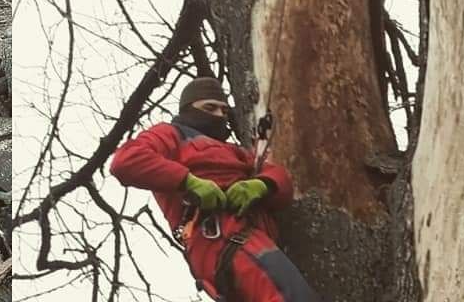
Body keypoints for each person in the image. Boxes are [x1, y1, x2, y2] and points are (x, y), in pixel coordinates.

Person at [110, 77, 319, 302]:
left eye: (224, 110)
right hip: (221, 237)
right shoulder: (171, 134)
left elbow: (281, 180)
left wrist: (262, 185)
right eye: (210, 108)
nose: (220, 115)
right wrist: (189, 182)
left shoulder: (237, 152)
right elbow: (126, 161)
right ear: (189, 109)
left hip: (249, 238)